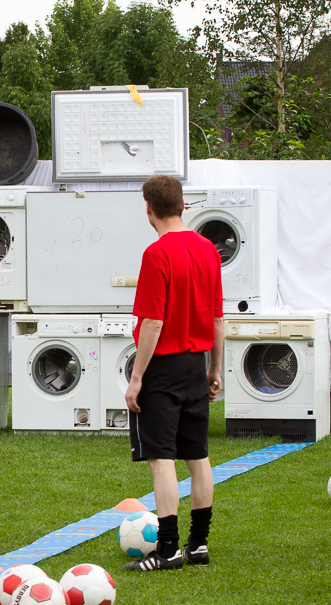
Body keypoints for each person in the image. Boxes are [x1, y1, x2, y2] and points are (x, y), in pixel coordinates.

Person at [123, 175, 224, 571]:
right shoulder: (208, 251)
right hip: (196, 362)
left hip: (164, 367)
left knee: (162, 458)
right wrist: (214, 367)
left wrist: (137, 378)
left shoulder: (157, 254)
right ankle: (198, 544)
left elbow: (152, 323)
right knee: (198, 456)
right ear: (183, 205)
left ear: (149, 208)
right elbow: (217, 318)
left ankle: (166, 550)